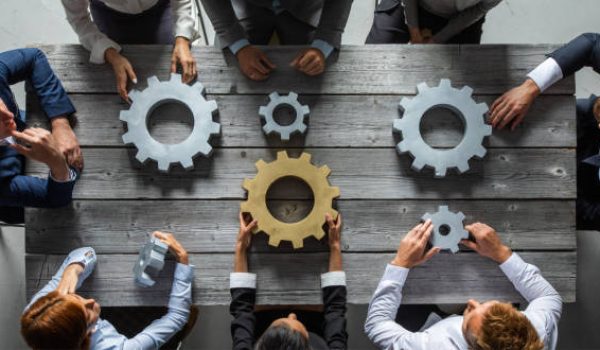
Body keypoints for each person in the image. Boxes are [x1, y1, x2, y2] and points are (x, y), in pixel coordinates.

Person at [364, 220, 562, 350]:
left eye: (468, 319)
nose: (471, 301)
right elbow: (548, 297)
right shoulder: (537, 328)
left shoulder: (433, 345)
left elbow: (376, 325)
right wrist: (500, 252)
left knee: (404, 310)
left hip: (430, 329)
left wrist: (400, 263)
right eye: (489, 305)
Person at [489, 33, 600, 229]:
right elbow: (591, 44)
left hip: (583, 194)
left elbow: (592, 216)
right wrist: (530, 87)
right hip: (580, 123)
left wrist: (553, 192)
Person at [21, 231, 194, 349]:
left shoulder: (41, 314)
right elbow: (177, 317)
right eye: (87, 314)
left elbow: (86, 252)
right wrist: (182, 259)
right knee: (192, 311)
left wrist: (73, 269)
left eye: (76, 298)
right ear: (87, 333)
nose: (91, 301)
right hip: (128, 336)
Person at [230, 212, 347, 349]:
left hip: (263, 315)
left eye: (284, 322)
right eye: (295, 319)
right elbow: (335, 309)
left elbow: (241, 309)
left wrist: (240, 246)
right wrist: (335, 245)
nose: (292, 314)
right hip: (316, 318)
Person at [0, 48, 81, 224]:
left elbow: (34, 57)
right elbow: (53, 199)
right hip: (12, 197)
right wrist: (56, 162)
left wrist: (60, 122)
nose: (8, 115)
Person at [61, 0, 198, 102]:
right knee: (123, 86)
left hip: (160, 10)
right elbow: (79, 19)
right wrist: (109, 53)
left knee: (175, 72)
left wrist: (182, 38)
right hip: (110, 17)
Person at [200, 0, 353, 81]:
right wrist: (238, 44)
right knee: (223, 69)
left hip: (306, 6)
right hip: (247, 5)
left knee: (319, 74)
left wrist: (323, 43)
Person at [366, 0, 502, 45]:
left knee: (466, 81)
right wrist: (414, 32)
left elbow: (479, 8)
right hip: (410, 4)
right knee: (372, 59)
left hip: (458, 16)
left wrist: (437, 40)